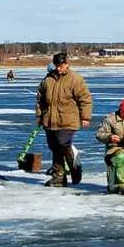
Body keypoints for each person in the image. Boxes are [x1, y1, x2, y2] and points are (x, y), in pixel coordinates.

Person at [35, 52, 92, 187]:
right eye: (57, 66)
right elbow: (40, 99)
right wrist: (39, 116)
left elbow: (85, 99)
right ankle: (59, 177)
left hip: (68, 119)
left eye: (61, 65)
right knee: (54, 147)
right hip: (50, 120)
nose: (59, 68)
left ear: (67, 64)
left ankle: (75, 167)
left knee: (62, 144)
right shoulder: (48, 79)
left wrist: (85, 117)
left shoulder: (75, 79)